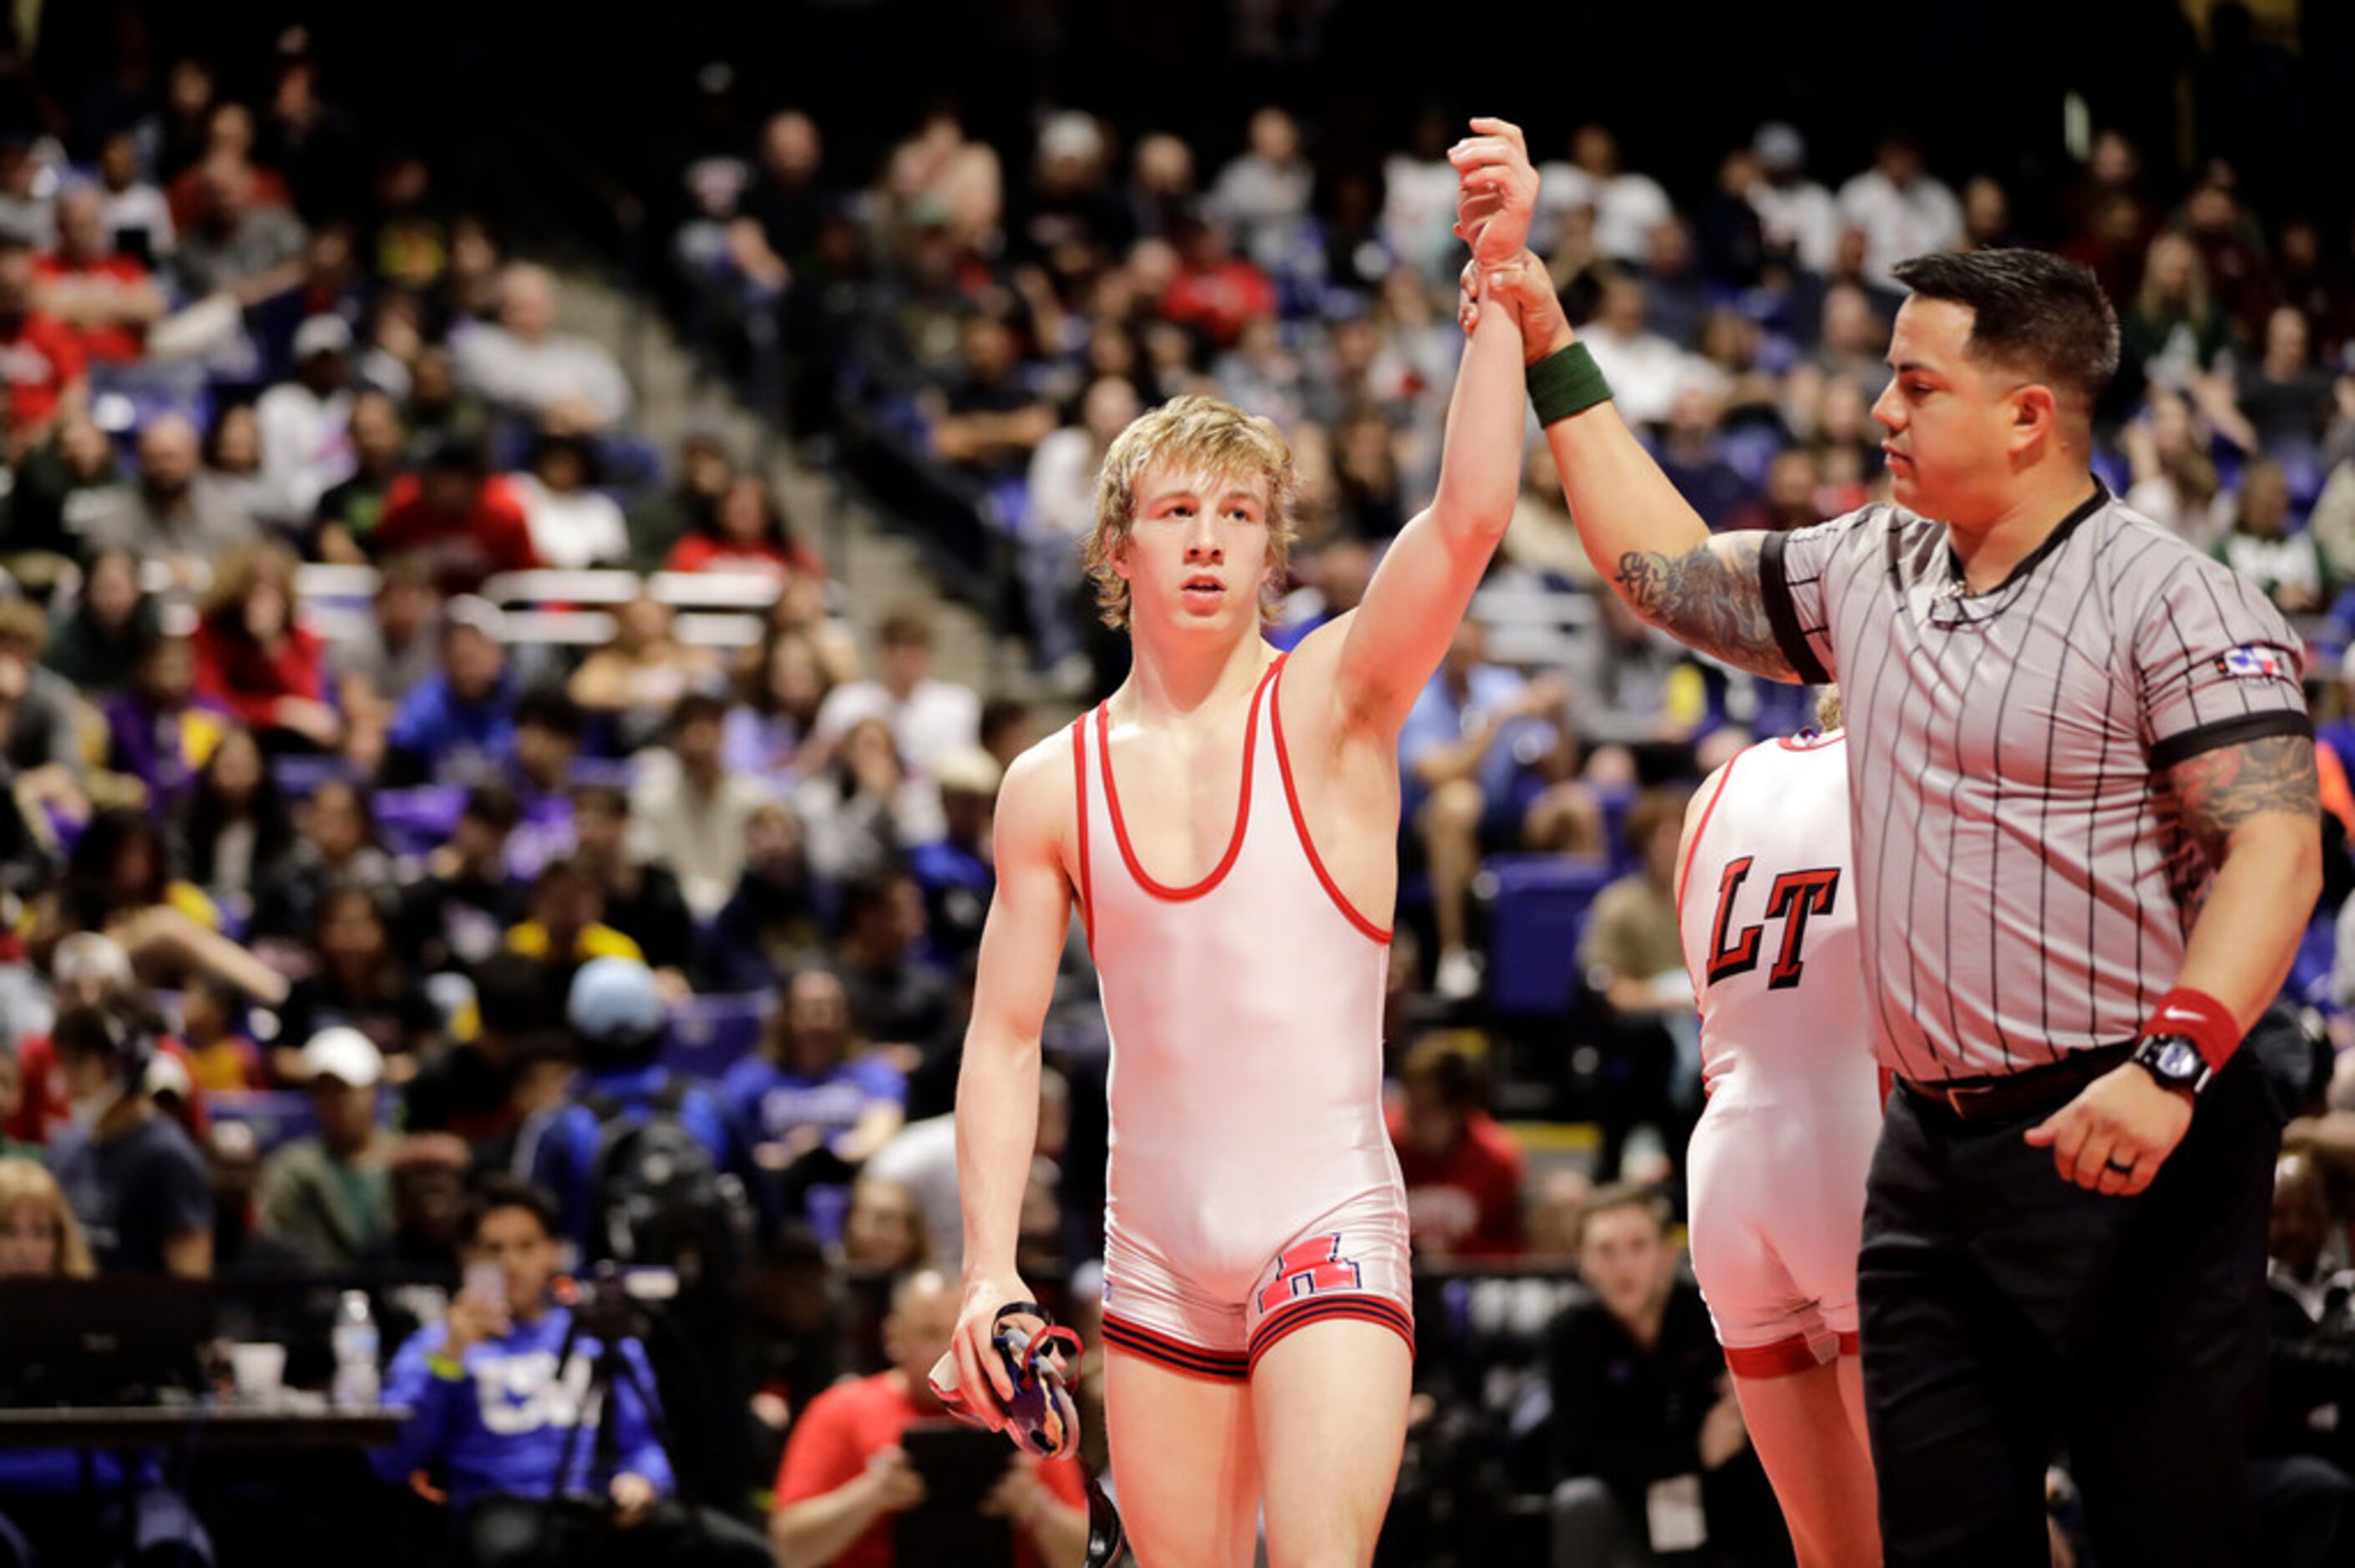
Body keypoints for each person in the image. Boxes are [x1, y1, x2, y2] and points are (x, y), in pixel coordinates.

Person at [1456, 119, 2319, 1564]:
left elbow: (2275, 855)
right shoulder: (1872, 563)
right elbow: (1665, 574)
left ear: (2031, 415)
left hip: (2128, 1128)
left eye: (1917, 385)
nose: (1879, 412)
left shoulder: (2181, 601)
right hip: (1925, 1152)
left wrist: (2172, 1066)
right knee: (1934, 1537)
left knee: (2168, 1528)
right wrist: (1549, 334)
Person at [945, 182, 1527, 1562]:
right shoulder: (1051, 782)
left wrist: (1499, 295)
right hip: (1152, 1254)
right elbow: (1006, 1033)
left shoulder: (1335, 702)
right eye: (1177, 511)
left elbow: (1467, 518)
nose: (1208, 537)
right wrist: (982, 1269)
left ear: (1274, 550)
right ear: (1116, 547)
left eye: (1240, 515)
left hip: (1322, 1219)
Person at [1674, 700, 1881, 1567]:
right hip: (1856, 1163)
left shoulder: (1715, 790)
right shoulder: (1906, 761)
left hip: (1728, 1173)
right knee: (1963, 1534)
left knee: (1830, 1554)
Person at [371, 1175, 770, 1566]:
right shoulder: (436, 1345)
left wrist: (644, 1481)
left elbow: (646, 1442)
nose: (511, 1263)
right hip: (506, 1505)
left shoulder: (596, 1332)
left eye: (527, 1246)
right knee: (516, 1552)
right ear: (467, 1256)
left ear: (554, 1252)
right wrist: (449, 1360)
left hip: (600, 1501)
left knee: (740, 1552)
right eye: (493, 1249)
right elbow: (392, 1462)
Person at [772, 1267, 1090, 1568]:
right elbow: (789, 1549)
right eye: (929, 1333)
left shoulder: (1028, 1412)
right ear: (892, 1336)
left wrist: (1035, 1507)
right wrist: (872, 1494)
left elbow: (1087, 1555)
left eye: (957, 1334)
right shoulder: (841, 1410)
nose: (947, 1350)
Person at [1546, 1184, 1785, 1568]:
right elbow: (1582, 1451)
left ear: (1667, 1253)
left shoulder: (1712, 1316)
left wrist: (1747, 1406)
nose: (1623, 1266)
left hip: (1716, 1496)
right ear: (1584, 1262)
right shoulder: (1571, 1332)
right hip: (1628, 1499)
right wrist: (1694, 1454)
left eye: (1638, 1246)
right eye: (1606, 1251)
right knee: (1580, 1502)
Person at [45, 998, 212, 1277]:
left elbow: (189, 1288)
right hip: (68, 1316)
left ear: (121, 1066)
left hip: (137, 1318)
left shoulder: (168, 1158)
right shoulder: (65, 1149)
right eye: (64, 1062)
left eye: (80, 1063)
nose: (66, 1079)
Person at [255, 1027, 395, 1266]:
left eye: (344, 1090)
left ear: (373, 1091)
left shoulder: (406, 1162)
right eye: (323, 1091)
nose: (335, 1102)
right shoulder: (291, 1169)